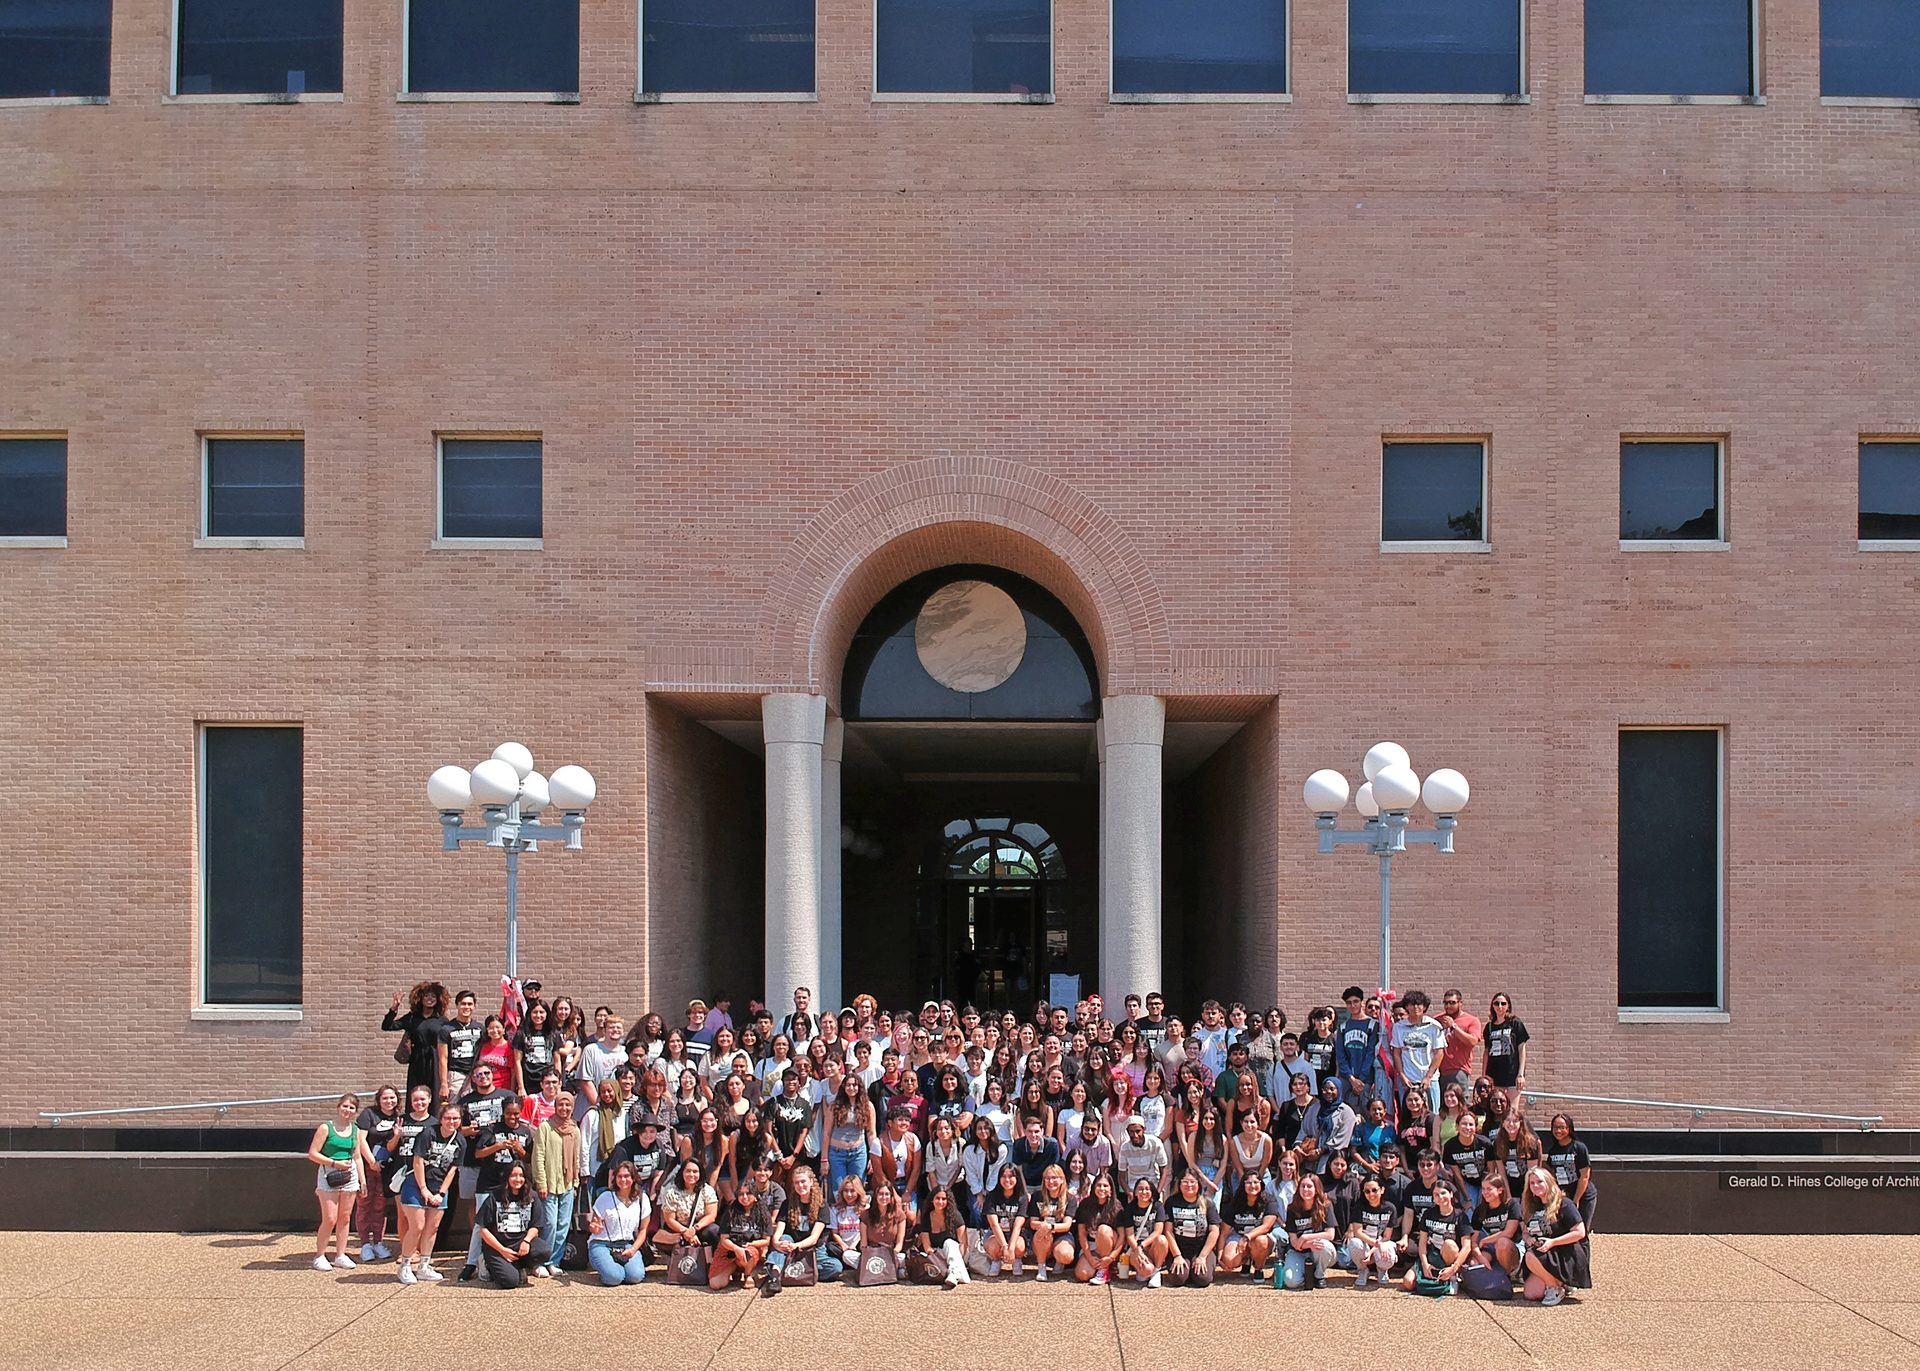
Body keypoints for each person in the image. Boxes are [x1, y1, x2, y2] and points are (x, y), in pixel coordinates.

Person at [398, 1103, 465, 1284]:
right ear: (441, 1118)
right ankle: (405, 1264)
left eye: (455, 1118)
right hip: (416, 1185)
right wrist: (423, 1190)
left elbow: (452, 1170)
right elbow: (417, 1162)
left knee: (432, 1228)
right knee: (417, 1226)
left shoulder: (460, 1141)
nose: (451, 1122)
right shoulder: (428, 1133)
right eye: (448, 1118)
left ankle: (424, 1265)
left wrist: (441, 1193)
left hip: (439, 1188)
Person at [307, 1093, 370, 1272]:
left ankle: (340, 1254)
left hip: (349, 1175)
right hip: (329, 1173)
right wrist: (334, 1163)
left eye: (351, 1108)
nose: (347, 1110)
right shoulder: (326, 1128)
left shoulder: (355, 1130)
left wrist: (362, 1181)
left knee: (344, 1217)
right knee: (330, 1218)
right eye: (345, 1106)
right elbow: (313, 1153)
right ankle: (320, 1255)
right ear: (338, 1107)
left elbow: (357, 1156)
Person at [1520, 1166, 1591, 1305]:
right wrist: (1528, 1238)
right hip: (1543, 1252)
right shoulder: (1533, 1206)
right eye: (1532, 1183)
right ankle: (1559, 1282)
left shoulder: (1564, 1203)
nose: (1536, 1186)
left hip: (1566, 1252)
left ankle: (1555, 1287)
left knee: (1530, 1255)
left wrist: (1553, 1242)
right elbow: (1525, 1231)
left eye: (1540, 1181)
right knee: (1530, 1293)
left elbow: (1580, 1232)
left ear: (1548, 1182)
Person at [766, 1163, 834, 1293]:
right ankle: (775, 1279)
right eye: (796, 1182)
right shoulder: (788, 1203)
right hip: (790, 1245)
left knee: (835, 1267)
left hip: (812, 1248)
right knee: (784, 1240)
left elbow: (814, 1238)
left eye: (803, 1181)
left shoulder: (822, 1205)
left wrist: (797, 1246)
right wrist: (776, 1242)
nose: (800, 1185)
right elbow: (779, 1229)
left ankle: (794, 1270)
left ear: (811, 1182)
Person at [475, 1162, 543, 1288]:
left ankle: (519, 1266)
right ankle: (486, 1264)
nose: (518, 1179)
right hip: (497, 1247)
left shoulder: (532, 1196)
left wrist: (527, 1241)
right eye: (513, 1175)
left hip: (520, 1243)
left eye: (521, 1175)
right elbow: (483, 1230)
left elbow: (536, 1226)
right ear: (507, 1177)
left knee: (543, 1251)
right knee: (510, 1282)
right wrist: (503, 1250)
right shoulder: (494, 1197)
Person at [353, 1086, 401, 1261]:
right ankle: (365, 1244)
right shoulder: (369, 1114)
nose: (389, 1101)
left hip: (386, 1168)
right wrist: (371, 1162)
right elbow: (361, 1139)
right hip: (367, 1167)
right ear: (379, 1100)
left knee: (381, 1206)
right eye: (385, 1098)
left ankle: (378, 1242)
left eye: (392, 1098)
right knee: (365, 1204)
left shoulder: (398, 1118)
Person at [1401, 1177, 1471, 1294]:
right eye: (1436, 1195)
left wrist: (1454, 1267)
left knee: (1449, 1243)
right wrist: (1425, 1264)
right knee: (1408, 1282)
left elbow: (1467, 1246)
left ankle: (1452, 1277)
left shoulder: (1460, 1216)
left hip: (1450, 1256)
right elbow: (1422, 1243)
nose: (1440, 1197)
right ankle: (1436, 1278)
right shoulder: (1428, 1214)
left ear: (1451, 1194)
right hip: (1431, 1254)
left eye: (1443, 1193)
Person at [383, 982, 449, 1102]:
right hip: (417, 1060)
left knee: (434, 1093)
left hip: (435, 1059)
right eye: (426, 996)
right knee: (416, 1091)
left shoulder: (442, 1020)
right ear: (420, 998)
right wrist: (394, 1008)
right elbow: (387, 1026)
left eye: (433, 996)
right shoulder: (412, 1018)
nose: (430, 999)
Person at [709, 1180, 774, 1291]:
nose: (744, 1197)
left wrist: (752, 1244)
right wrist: (735, 1248)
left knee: (748, 1253)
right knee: (715, 1284)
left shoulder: (763, 1214)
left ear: (755, 1196)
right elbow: (724, 1239)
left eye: (748, 1193)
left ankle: (748, 1274)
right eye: (741, 1194)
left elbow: (766, 1240)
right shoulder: (730, 1211)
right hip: (728, 1249)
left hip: (749, 1250)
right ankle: (734, 1268)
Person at [1217, 1169, 1279, 1283]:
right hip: (1238, 1236)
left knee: (1260, 1241)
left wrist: (1247, 1237)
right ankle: (1247, 1261)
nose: (1252, 1186)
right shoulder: (1235, 1202)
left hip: (1262, 1238)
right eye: (1248, 1183)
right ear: (1243, 1185)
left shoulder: (1269, 1200)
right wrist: (1219, 1256)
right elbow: (1224, 1232)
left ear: (1261, 1183)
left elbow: (1266, 1226)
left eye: (1256, 1182)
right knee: (1229, 1261)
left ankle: (1258, 1268)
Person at [1279, 1171, 1337, 1290]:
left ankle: (1318, 1275)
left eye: (1309, 1186)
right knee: (1291, 1283)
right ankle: (1306, 1272)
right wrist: (1307, 1244)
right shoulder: (1292, 1208)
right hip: (1298, 1251)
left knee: (1324, 1245)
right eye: (1303, 1186)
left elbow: (1330, 1235)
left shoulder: (1326, 1206)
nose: (1305, 1189)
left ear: (1316, 1189)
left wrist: (1306, 1238)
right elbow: (1294, 1242)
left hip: (1318, 1250)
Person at [1391, 990, 1446, 1116]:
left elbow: (1439, 1053)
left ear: (1425, 1007)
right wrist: (1402, 1076)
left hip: (1429, 1079)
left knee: (1433, 1114)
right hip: (1407, 1079)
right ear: (1406, 1007)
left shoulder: (1434, 1026)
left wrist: (1428, 1076)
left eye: (1419, 1004)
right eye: (1412, 1004)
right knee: (1407, 1113)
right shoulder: (1398, 1027)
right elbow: (1397, 1053)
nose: (1415, 1007)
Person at [1162, 1168, 1218, 1288]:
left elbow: (1214, 1231)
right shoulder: (1171, 1202)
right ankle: (1188, 1270)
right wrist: (1177, 1255)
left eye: (1193, 1182)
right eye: (1185, 1181)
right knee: (1178, 1279)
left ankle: (1196, 1269)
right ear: (1179, 1183)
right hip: (1180, 1248)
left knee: (1202, 1279)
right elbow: (1168, 1231)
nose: (1189, 1185)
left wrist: (1202, 1256)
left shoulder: (1208, 1203)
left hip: (1201, 1248)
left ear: (1199, 1184)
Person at [1345, 1174, 1400, 1290]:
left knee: (1389, 1250)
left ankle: (1382, 1269)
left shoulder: (1390, 1208)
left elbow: (1387, 1236)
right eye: (1367, 1191)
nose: (1371, 1194)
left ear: (1382, 1190)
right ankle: (1363, 1270)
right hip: (1365, 1241)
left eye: (1374, 1190)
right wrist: (1375, 1246)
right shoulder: (1359, 1207)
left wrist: (1373, 1251)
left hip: (1381, 1242)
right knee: (1354, 1243)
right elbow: (1358, 1232)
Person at [1071, 1170, 1125, 1286]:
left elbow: (1122, 1237)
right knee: (1082, 1275)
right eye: (1099, 1185)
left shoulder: (1116, 1206)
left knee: (1103, 1229)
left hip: (1110, 1244)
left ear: (1111, 1189)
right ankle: (1099, 1266)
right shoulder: (1085, 1205)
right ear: (1094, 1187)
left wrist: (1111, 1257)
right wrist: (1089, 1257)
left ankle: (1104, 1270)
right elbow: (1082, 1234)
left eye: (1105, 1186)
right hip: (1091, 1246)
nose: (1102, 1188)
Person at [1546, 1113, 1598, 1233]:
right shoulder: (1553, 1150)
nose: (1558, 1131)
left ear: (1569, 1128)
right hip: (1564, 1197)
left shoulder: (1579, 1148)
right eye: (1555, 1127)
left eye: (1562, 1127)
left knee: (1581, 1232)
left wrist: (1576, 1200)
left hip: (1583, 1196)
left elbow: (1585, 1176)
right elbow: (1553, 1176)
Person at [656, 1158, 721, 1254]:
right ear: (682, 1173)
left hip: (700, 1227)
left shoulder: (707, 1190)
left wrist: (694, 1229)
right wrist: (686, 1232)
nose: (691, 1175)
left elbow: (711, 1216)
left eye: (695, 1172)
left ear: (700, 1173)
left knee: (714, 1231)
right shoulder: (671, 1192)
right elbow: (669, 1220)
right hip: (678, 1229)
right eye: (688, 1171)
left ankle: (712, 1260)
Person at [1026, 1163, 1075, 1282]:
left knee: (1066, 1255)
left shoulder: (1070, 1198)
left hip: (1061, 1235)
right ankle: (1041, 1267)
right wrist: (1045, 1227)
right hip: (1042, 1236)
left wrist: (1051, 1226)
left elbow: (1067, 1225)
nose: (1051, 1181)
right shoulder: (1037, 1196)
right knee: (1044, 1230)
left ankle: (1059, 1260)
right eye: (1047, 1178)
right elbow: (1033, 1223)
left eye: (1054, 1178)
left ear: (1062, 1180)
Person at [1470, 1170, 1524, 1278]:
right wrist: (1480, 1257)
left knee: (1502, 1243)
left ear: (1500, 1190)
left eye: (1489, 1189)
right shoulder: (1480, 1210)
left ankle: (1511, 1274)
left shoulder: (1511, 1205)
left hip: (1513, 1246)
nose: (1485, 1192)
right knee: (1474, 1264)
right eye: (1483, 1189)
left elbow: (1509, 1233)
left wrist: (1485, 1240)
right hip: (1491, 1247)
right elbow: (1473, 1241)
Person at [1120, 1175, 1170, 1288]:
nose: (1144, 1192)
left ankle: (1157, 1271)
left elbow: (1158, 1231)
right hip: (1135, 1248)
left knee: (1162, 1239)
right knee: (1146, 1271)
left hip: (1152, 1247)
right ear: (1135, 1192)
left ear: (1152, 1191)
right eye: (1140, 1189)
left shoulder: (1158, 1206)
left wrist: (1142, 1246)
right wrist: (1138, 1250)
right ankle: (1147, 1271)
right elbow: (1130, 1235)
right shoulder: (1129, 1208)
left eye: (1147, 1189)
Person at [978, 1163, 1028, 1275]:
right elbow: (994, 1224)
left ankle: (1017, 1260)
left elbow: (1018, 1225)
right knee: (993, 1245)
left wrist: (1011, 1247)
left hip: (1015, 1233)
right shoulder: (992, 1196)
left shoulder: (1022, 1197)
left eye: (1011, 1176)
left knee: (1019, 1245)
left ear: (1017, 1178)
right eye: (1003, 1176)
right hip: (996, 1233)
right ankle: (996, 1261)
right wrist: (1005, 1246)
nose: (1007, 1180)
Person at [1335, 986, 1380, 1109]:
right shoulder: (1343, 1027)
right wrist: (1351, 1079)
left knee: (1367, 1112)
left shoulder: (1372, 1025)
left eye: (1355, 1001)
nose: (1352, 1005)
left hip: (1366, 1079)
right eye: (1349, 1003)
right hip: (1347, 1079)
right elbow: (1340, 1055)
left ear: (1362, 1003)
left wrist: (1361, 1079)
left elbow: (1371, 1053)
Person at [436, 990, 483, 1105]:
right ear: (457, 1005)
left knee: (474, 1106)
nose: (466, 1007)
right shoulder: (446, 1029)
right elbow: (443, 1058)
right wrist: (444, 1084)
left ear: (474, 1006)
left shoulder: (480, 1028)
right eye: (463, 1004)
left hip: (476, 1073)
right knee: (454, 1108)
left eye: (470, 1004)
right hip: (456, 1074)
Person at [1442, 1109, 1492, 1212]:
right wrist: (1467, 1198)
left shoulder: (1485, 1143)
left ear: (1476, 1127)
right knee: (1470, 1211)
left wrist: (1486, 1190)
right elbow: (1457, 1175)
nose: (1468, 1128)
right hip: (1466, 1182)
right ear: (1457, 1126)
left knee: (1485, 1209)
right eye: (1464, 1124)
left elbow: (1491, 1170)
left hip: (1485, 1180)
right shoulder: (1450, 1146)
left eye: (1471, 1124)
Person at [1483, 992, 1530, 1091]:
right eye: (1496, 1003)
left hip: (1511, 1074)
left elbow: (1522, 1049)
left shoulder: (1515, 1023)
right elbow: (1486, 1052)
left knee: (1512, 1107)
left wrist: (1521, 1074)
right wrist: (1484, 1075)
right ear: (1492, 1006)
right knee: (1496, 1104)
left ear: (1508, 1006)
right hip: (1493, 1074)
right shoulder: (1489, 1027)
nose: (1500, 1006)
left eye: (1503, 1003)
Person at [825, 1175, 868, 1280]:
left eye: (852, 1191)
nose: (849, 1194)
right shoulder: (835, 1209)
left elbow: (863, 1231)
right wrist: (844, 1245)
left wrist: (853, 1245)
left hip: (858, 1244)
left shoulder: (865, 1208)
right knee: (830, 1247)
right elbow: (835, 1232)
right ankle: (850, 1264)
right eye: (846, 1191)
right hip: (842, 1246)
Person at [1117, 1115, 1169, 1196]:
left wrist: (1158, 1192)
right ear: (1127, 1131)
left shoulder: (1155, 1143)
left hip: (1153, 1185)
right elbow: (1121, 1176)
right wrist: (1129, 1193)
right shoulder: (1124, 1148)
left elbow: (1164, 1169)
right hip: (1133, 1187)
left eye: (1138, 1131)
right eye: (1131, 1132)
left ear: (1144, 1130)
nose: (1135, 1135)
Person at [865, 1178, 911, 1263]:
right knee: (848, 1255)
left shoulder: (899, 1214)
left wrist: (892, 1254)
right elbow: (863, 1245)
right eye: (881, 1194)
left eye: (887, 1194)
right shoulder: (866, 1214)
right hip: (871, 1254)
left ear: (891, 1197)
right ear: (876, 1196)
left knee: (902, 1257)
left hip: (890, 1253)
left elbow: (899, 1244)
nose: (884, 1197)